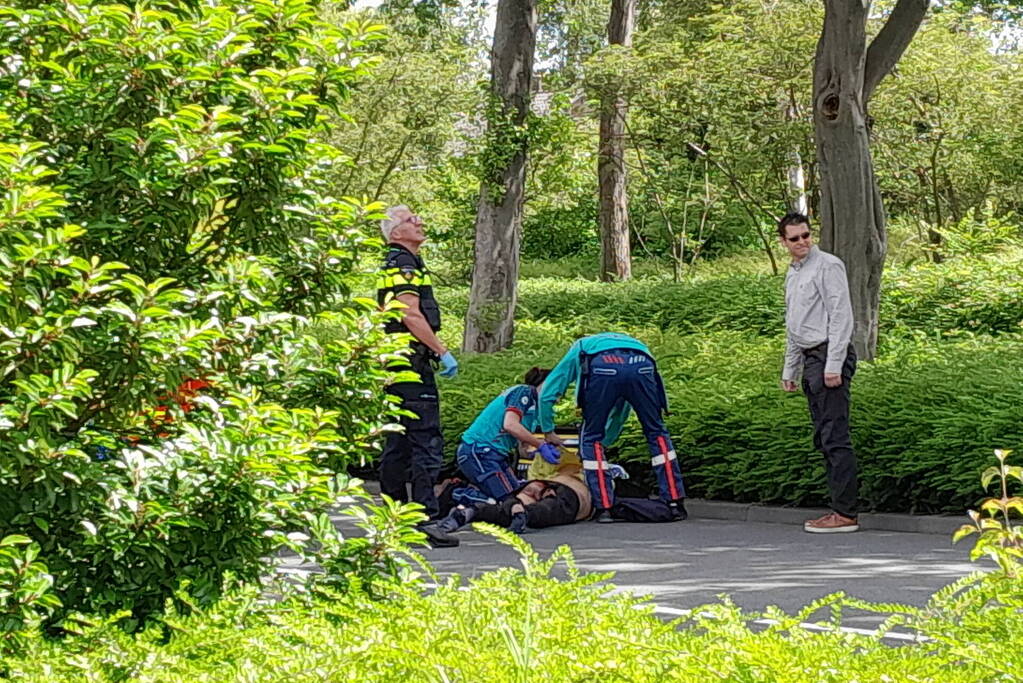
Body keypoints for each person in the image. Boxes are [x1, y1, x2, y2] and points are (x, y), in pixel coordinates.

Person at [538, 332, 687, 523]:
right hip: (642, 363)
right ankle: (674, 501)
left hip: (601, 367)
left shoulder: (580, 346)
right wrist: (607, 442)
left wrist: (548, 430)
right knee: (656, 433)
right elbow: (620, 414)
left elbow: (547, 393)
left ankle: (604, 508)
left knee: (591, 437)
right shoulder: (633, 342)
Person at [376, 205, 459, 537]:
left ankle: (395, 517)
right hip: (410, 363)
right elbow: (410, 314)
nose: (420, 222)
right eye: (412, 220)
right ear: (396, 233)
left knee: (397, 442)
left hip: (394, 363)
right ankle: (426, 519)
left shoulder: (394, 263)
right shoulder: (404, 263)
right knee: (425, 440)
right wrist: (442, 350)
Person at [778, 212, 859, 534]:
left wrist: (834, 365)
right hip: (811, 358)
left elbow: (841, 317)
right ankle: (839, 508)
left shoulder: (828, 265)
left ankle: (845, 513)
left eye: (806, 236)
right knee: (823, 438)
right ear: (783, 241)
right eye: (795, 238)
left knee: (835, 436)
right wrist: (790, 369)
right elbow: (795, 324)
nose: (802, 242)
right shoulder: (794, 273)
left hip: (828, 355)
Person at [455, 367, 560, 502]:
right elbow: (510, 425)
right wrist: (541, 445)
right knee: (506, 502)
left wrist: (536, 454)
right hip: (480, 450)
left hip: (497, 456)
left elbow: (523, 448)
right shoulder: (524, 392)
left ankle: (476, 499)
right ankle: (458, 495)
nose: (556, 400)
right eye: (556, 392)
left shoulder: (534, 412)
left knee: (516, 494)